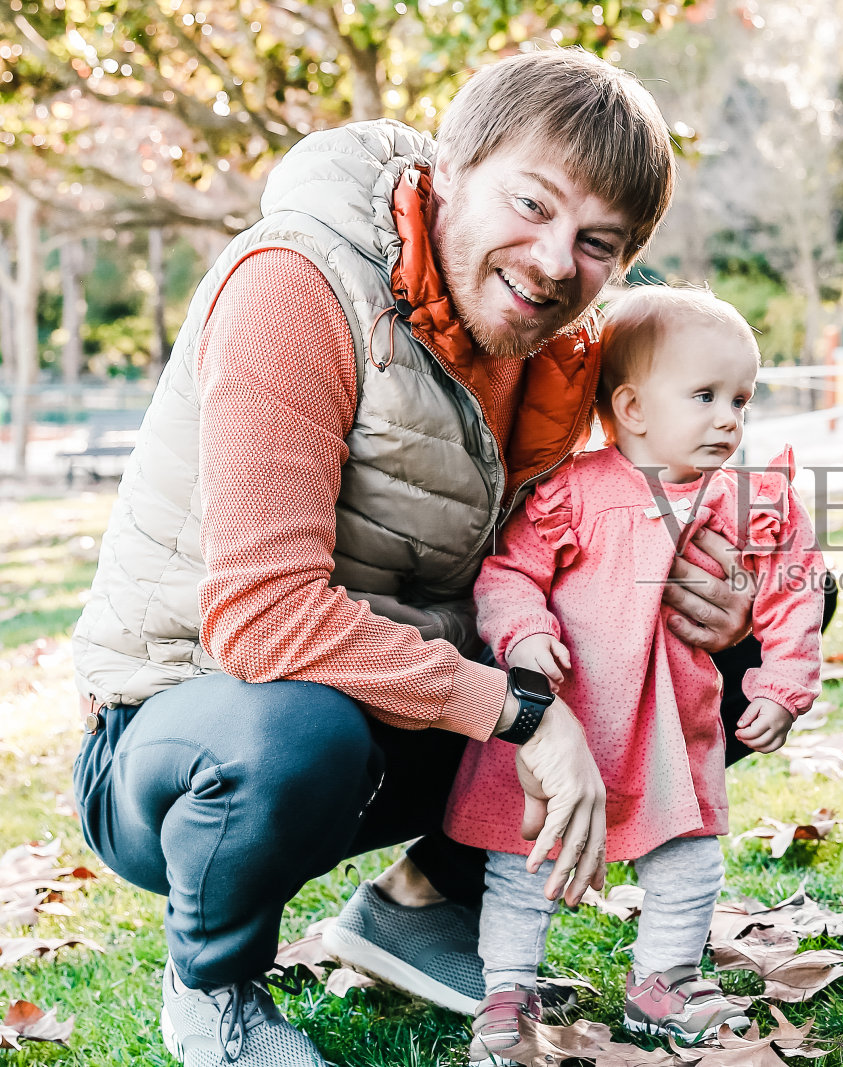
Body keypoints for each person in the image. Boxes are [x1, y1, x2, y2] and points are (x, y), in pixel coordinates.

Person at [69, 51, 767, 1067]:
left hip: (396, 698)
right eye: (530, 203)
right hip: (190, 732)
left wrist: (717, 596)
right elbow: (263, 618)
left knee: (719, 634)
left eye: (597, 243)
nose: (553, 259)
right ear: (449, 166)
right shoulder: (296, 285)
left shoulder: (557, 349)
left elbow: (575, 550)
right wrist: (524, 712)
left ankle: (425, 900)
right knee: (294, 728)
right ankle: (212, 984)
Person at [445, 286, 825, 1061]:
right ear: (634, 407)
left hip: (666, 731)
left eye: (741, 400)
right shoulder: (573, 491)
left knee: (689, 860)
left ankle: (664, 979)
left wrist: (784, 684)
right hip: (569, 722)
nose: (730, 417)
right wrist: (524, 635)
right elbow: (509, 574)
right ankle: (508, 988)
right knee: (521, 865)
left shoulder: (751, 501)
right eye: (707, 396)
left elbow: (794, 584)